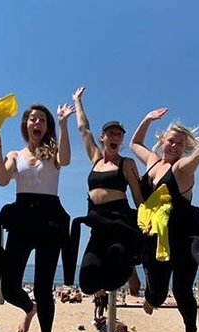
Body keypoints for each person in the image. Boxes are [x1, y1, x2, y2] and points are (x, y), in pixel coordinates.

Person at [130, 107, 199, 332]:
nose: (174, 146)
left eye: (180, 144)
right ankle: (151, 298)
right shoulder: (153, 163)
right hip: (155, 240)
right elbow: (134, 143)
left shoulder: (181, 169)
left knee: (181, 290)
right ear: (162, 141)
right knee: (158, 294)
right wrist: (147, 119)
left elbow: (193, 161)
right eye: (171, 140)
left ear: (184, 148)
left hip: (183, 240)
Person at [0, 102, 75, 332]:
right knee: (10, 286)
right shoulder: (16, 154)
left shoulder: (53, 153)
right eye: (32, 119)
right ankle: (29, 309)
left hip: (49, 220)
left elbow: (67, 158)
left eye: (42, 120)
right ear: (26, 125)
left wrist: (62, 123)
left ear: (46, 126)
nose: (37, 123)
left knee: (43, 287)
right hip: (23, 217)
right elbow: (2, 180)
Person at [70, 86, 144, 295]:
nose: (115, 137)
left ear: (121, 141)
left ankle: (131, 268)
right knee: (87, 285)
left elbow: (138, 198)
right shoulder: (95, 159)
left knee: (113, 279)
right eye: (111, 133)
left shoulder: (127, 163)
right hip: (97, 224)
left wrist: (148, 220)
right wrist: (77, 101)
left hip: (119, 224)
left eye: (119, 135)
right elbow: (84, 130)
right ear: (103, 137)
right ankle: (126, 269)